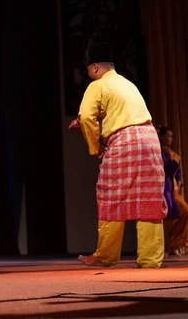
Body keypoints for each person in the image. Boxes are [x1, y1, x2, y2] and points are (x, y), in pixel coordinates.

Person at [68, 42, 167, 268]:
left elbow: (87, 118)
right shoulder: (128, 84)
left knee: (111, 195)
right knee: (148, 198)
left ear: (94, 68)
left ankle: (106, 255)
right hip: (150, 139)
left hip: (125, 142)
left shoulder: (98, 85)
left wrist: (95, 148)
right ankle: (151, 260)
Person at [157, 125, 188, 258]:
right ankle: (165, 248)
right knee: (162, 219)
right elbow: (167, 169)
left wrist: (180, 180)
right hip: (162, 189)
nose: (170, 139)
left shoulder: (171, 153)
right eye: (167, 136)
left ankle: (174, 245)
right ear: (161, 137)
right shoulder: (159, 152)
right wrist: (172, 161)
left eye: (171, 136)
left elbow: (177, 172)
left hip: (172, 190)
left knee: (184, 213)